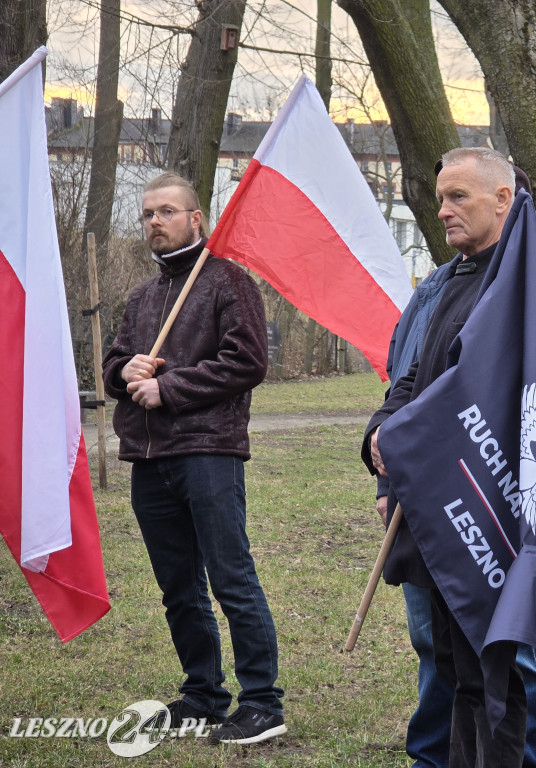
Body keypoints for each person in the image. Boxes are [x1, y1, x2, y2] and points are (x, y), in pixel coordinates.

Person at [376, 164, 536, 768]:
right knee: (457, 669)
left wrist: (524, 491)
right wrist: (382, 437)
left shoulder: (534, 285)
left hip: (489, 509)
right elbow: (415, 379)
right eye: (439, 197)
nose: (442, 210)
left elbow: (533, 403)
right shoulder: (453, 279)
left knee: (500, 672)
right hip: (440, 502)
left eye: (457, 196)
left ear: (503, 198)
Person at [102, 172, 285, 745]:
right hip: (148, 456)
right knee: (178, 586)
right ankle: (203, 694)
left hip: (208, 451)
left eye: (167, 211)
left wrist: (170, 387)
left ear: (195, 218)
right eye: (148, 213)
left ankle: (262, 703)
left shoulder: (228, 281)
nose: (155, 221)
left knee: (231, 578)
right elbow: (113, 366)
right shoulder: (142, 296)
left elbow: (247, 361)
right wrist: (125, 370)